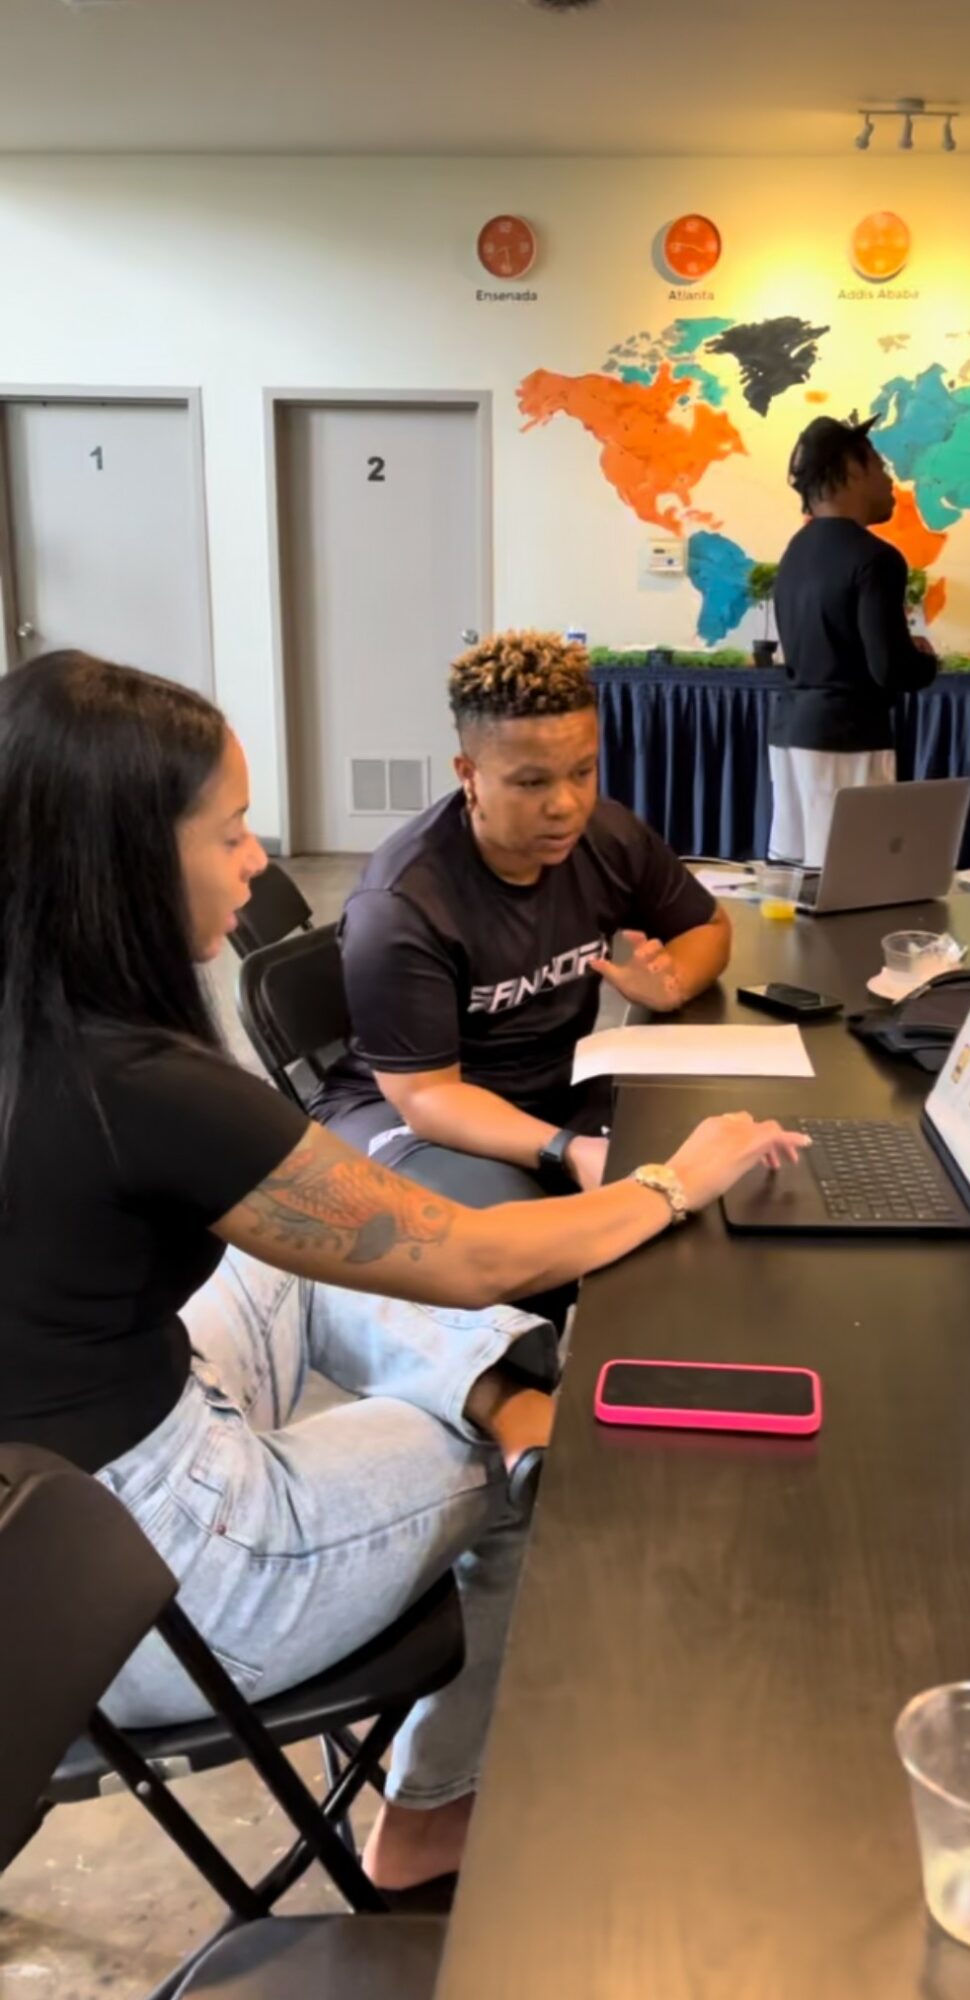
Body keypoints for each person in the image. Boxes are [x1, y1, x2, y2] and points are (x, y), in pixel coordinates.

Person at [0, 652, 803, 1893]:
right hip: (142, 1581)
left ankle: (499, 1395)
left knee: (319, 1261)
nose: (262, 861)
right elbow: (470, 1253)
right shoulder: (138, 1079)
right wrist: (670, 1181)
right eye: (229, 834)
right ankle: (431, 1807)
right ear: (121, 860)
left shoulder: (39, 1022)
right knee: (553, 1451)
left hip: (57, 1497)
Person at [315, 631, 732, 1215]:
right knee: (518, 1231)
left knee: (716, 1178)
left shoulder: (608, 837)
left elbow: (709, 926)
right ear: (469, 773)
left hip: (554, 1094)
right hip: (409, 1113)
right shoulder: (401, 906)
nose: (565, 804)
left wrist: (674, 983)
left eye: (583, 772)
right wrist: (567, 1150)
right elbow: (428, 1097)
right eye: (532, 783)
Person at [769, 414, 937, 867]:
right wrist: (924, 660)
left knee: (801, 877)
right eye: (881, 468)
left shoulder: (794, 553)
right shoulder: (876, 559)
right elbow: (890, 668)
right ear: (852, 468)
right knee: (857, 876)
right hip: (849, 738)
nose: (890, 483)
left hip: (790, 733)